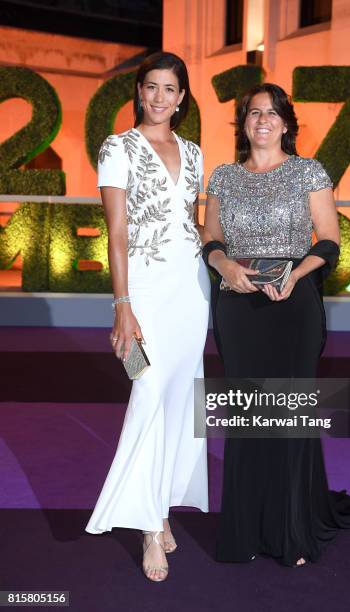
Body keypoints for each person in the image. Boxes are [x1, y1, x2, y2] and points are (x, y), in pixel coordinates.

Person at [203, 83, 350, 567]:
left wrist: (296, 274)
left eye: (272, 113)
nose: (263, 120)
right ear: (243, 123)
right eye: (254, 113)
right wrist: (224, 265)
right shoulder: (224, 177)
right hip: (237, 306)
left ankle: (290, 530)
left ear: (286, 123)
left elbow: (331, 241)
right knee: (249, 417)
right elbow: (210, 235)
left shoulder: (308, 171)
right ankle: (248, 529)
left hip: (293, 304)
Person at [85, 52, 210, 582]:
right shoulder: (117, 147)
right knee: (149, 393)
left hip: (193, 292)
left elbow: (194, 225)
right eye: (151, 87)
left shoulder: (196, 152)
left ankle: (159, 510)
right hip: (143, 294)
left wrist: (235, 260)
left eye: (170, 89)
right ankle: (144, 526)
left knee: (181, 401)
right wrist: (122, 306)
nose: (160, 97)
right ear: (139, 91)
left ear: (182, 98)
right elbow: (116, 232)